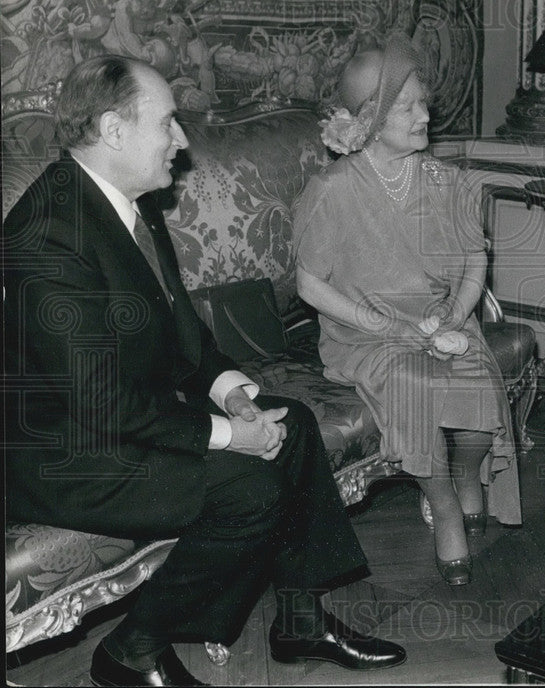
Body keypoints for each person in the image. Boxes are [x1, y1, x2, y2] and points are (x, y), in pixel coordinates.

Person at [2, 55, 406, 687]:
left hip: (121, 417)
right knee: (249, 488)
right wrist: (230, 435)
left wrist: (235, 396)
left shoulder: (129, 202)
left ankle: (300, 620)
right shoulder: (48, 234)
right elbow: (102, 404)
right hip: (64, 452)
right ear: (113, 130)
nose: (182, 140)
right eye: (167, 124)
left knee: (292, 424)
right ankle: (131, 653)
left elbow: (183, 341)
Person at [293, 34, 521, 587]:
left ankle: (467, 473)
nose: (426, 116)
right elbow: (309, 286)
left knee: (479, 379)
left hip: (442, 319)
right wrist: (387, 326)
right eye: (409, 107)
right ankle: (443, 505)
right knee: (415, 385)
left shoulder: (447, 181)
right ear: (369, 119)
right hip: (366, 334)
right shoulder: (332, 190)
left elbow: (474, 259)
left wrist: (453, 318)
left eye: (424, 102)